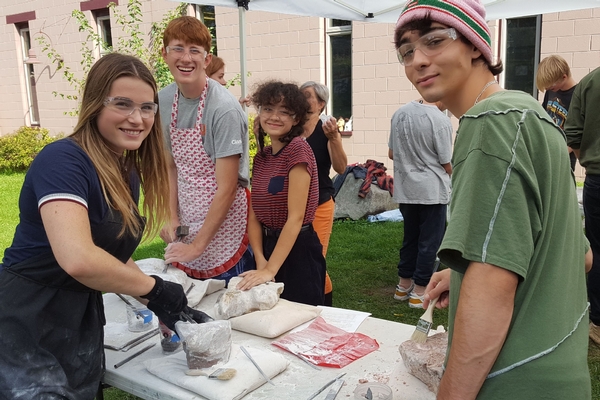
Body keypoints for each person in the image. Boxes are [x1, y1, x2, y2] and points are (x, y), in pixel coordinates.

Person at [395, 0, 592, 398]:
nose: (417, 61)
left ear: (474, 45)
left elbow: (491, 291)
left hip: (514, 379)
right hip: (562, 374)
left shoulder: (489, 123)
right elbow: (580, 256)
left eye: (434, 41)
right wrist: (464, 272)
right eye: (406, 52)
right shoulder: (532, 117)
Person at [0, 53, 210, 399]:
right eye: (123, 104)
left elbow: (108, 253)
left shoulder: (123, 169)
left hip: (77, 319)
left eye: (147, 107)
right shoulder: (62, 161)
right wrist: (154, 289)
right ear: (95, 104)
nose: (137, 118)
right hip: (26, 318)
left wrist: (156, 300)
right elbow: (79, 258)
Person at [158, 16, 254, 284]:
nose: (186, 58)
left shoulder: (223, 109)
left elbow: (227, 186)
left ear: (207, 59)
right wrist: (171, 216)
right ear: (164, 54)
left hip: (225, 223)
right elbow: (169, 165)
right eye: (178, 48)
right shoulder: (163, 101)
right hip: (188, 214)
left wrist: (197, 247)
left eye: (194, 51)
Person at [237, 81, 326, 306]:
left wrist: (270, 270)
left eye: (284, 112)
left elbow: (295, 217)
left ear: (296, 119)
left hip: (299, 251)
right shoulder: (263, 157)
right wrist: (260, 259)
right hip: (267, 248)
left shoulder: (298, 150)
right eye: (268, 109)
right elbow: (255, 214)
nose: (274, 117)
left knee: (300, 323)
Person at [388, 99, 452, 308]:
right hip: (432, 191)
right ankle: (419, 291)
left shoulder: (399, 113)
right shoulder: (440, 120)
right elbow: (445, 161)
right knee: (429, 243)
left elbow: (392, 153)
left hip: (406, 189)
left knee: (411, 238)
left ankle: (403, 286)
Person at [300, 81, 348, 306]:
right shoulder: (291, 127)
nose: (301, 98)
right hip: (293, 204)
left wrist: (335, 139)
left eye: (307, 96)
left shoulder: (326, 128)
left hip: (320, 203)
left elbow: (340, 168)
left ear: (320, 103)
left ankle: (325, 305)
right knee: (298, 258)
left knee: (315, 258)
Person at [564, 66, 600, 345]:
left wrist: (586, 160)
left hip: (597, 177)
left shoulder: (589, 82)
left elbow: (572, 134)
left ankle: (597, 323)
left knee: (596, 249)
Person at [536, 55, 578, 170]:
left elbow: (579, 133)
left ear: (564, 77)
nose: (548, 89)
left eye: (551, 86)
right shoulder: (551, 92)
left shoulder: (578, 95)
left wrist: (560, 152)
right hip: (548, 150)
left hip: (564, 156)